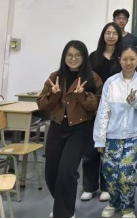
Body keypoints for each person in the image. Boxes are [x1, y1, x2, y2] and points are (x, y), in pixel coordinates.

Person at [39, 41, 103, 219]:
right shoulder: (55, 76)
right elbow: (41, 104)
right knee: (51, 173)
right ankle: (63, 205)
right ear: (64, 57)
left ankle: (64, 213)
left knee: (67, 171)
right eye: (69, 55)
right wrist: (54, 95)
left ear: (84, 57)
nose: (73, 59)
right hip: (57, 127)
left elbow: (96, 105)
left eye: (77, 55)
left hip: (79, 129)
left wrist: (82, 95)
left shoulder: (92, 78)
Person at [94, 46, 137, 219]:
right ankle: (114, 203)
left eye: (132, 59)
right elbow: (103, 112)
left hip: (134, 135)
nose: (128, 63)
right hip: (112, 135)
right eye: (125, 59)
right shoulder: (111, 82)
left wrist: (135, 101)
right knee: (110, 174)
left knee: (126, 175)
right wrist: (100, 139)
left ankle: (127, 208)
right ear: (119, 60)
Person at [82, 23, 123, 203]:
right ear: (103, 35)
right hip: (94, 106)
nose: (111, 36)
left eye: (114, 33)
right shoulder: (93, 56)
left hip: (114, 107)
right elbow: (86, 81)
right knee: (90, 149)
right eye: (108, 33)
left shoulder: (122, 57)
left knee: (109, 150)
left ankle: (106, 187)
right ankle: (89, 187)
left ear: (119, 37)